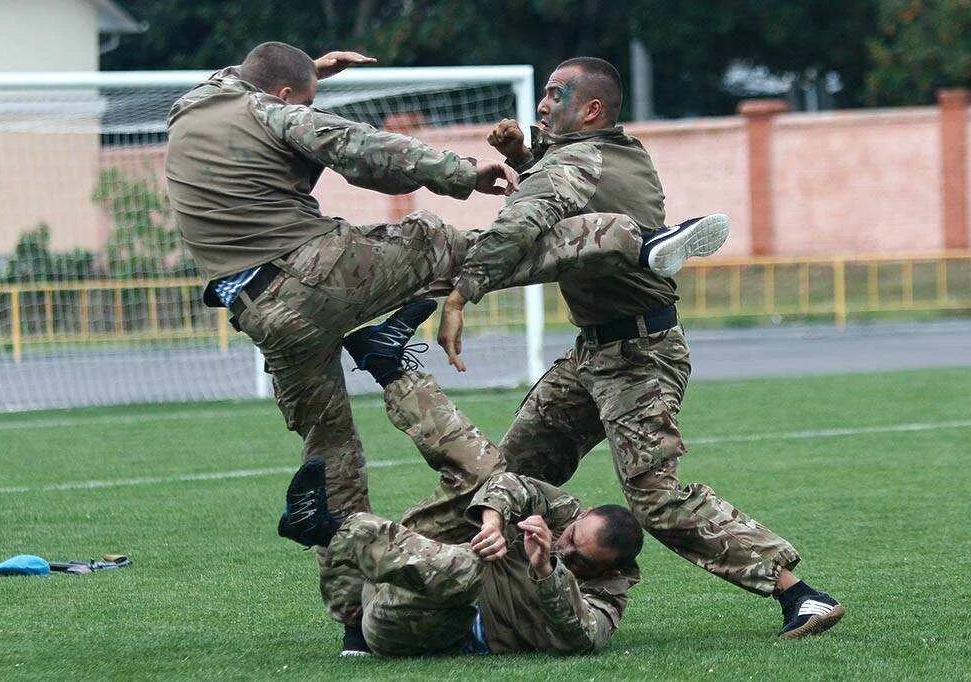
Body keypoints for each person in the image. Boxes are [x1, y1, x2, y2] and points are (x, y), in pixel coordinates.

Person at [166, 41, 729, 653]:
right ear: (280, 97)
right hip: (312, 272)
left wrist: (311, 73)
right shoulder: (277, 112)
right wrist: (465, 174)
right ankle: (632, 240)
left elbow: (248, 79)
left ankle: (354, 622)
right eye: (303, 97)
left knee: (328, 451)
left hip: (260, 313)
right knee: (443, 243)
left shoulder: (193, 106)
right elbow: (361, 149)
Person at [437, 57, 844, 639]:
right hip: (594, 354)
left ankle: (798, 594)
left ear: (592, 109)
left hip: (638, 357)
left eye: (555, 95)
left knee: (654, 499)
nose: (542, 104)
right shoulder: (622, 153)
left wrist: (462, 291)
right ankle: (464, 600)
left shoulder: (579, 160)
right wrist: (526, 158)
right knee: (510, 477)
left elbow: (526, 218)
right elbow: (565, 188)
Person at [277, 303, 644, 656]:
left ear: (609, 569)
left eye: (581, 560)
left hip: (413, 622)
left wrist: (546, 569)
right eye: (570, 539)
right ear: (583, 517)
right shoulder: (568, 515)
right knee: (487, 471)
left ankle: (325, 531)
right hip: (407, 562)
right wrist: (494, 518)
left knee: (471, 570)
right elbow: (514, 485)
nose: (565, 549)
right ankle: (387, 367)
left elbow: (584, 638)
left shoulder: (608, 593)